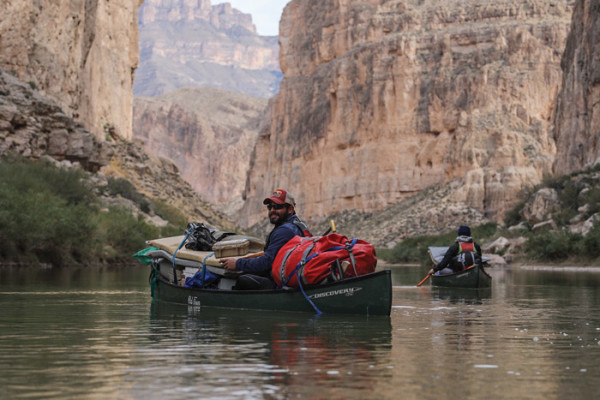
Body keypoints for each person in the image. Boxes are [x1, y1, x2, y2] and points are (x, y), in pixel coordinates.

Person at [219, 189, 311, 290]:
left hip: (280, 283)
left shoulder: (284, 231)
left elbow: (266, 263)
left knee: (243, 280)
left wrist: (237, 264)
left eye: (277, 206)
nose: (272, 210)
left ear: (290, 209)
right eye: (269, 207)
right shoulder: (298, 225)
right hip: (290, 277)